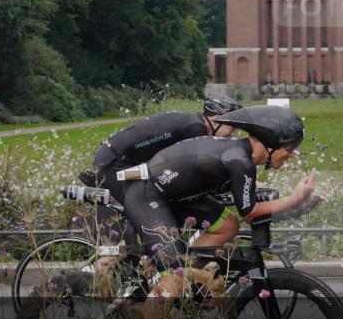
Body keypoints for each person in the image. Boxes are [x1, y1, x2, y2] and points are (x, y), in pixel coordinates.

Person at [123, 105, 315, 298]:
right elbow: (250, 213)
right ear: (270, 142)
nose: (292, 155)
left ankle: (187, 282)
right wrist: (294, 199)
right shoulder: (240, 160)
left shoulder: (239, 154)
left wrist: (297, 206)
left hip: (171, 194)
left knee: (228, 225)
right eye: (290, 148)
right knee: (174, 280)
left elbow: (251, 211)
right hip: (147, 194)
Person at [85, 97, 242, 271]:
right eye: (231, 127)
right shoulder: (196, 130)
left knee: (159, 209)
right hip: (115, 166)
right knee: (153, 213)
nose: (233, 134)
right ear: (214, 119)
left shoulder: (193, 122)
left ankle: (153, 264)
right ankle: (92, 275)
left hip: (119, 161)